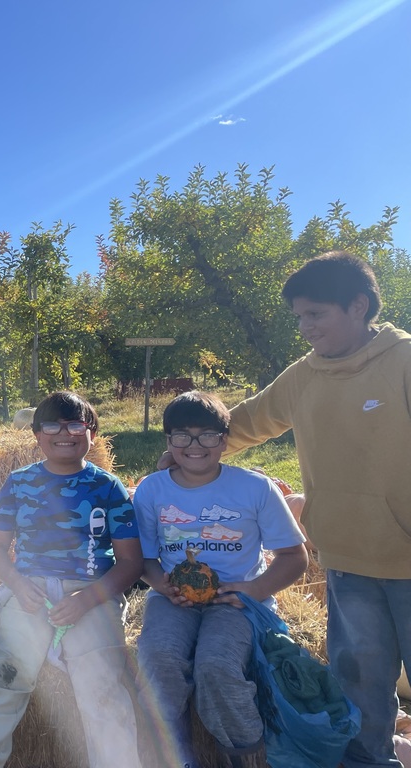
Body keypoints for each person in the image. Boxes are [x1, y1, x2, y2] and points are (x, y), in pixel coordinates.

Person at [198, 251, 411, 768]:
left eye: (315, 314)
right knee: (359, 682)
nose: (304, 327)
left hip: (408, 558)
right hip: (346, 559)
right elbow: (250, 420)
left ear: (358, 305)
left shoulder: (403, 362)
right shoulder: (304, 375)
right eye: (299, 317)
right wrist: (196, 445)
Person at [0, 391, 144, 768]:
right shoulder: (19, 483)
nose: (64, 432)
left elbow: (130, 562)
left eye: (75, 424)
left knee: (101, 683)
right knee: (6, 674)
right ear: (36, 434)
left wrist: (87, 600)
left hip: (91, 595)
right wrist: (17, 584)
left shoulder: (108, 488)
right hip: (30, 590)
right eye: (52, 424)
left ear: (93, 433)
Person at [134, 391, 308, 768]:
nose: (194, 445)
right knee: (157, 659)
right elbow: (145, 559)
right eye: (182, 435)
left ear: (225, 439)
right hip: (174, 597)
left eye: (207, 435)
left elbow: (295, 558)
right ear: (168, 441)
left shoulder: (254, 488)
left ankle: (245, 757)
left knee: (216, 667)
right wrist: (160, 584)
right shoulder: (152, 489)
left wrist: (253, 590)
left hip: (238, 600)